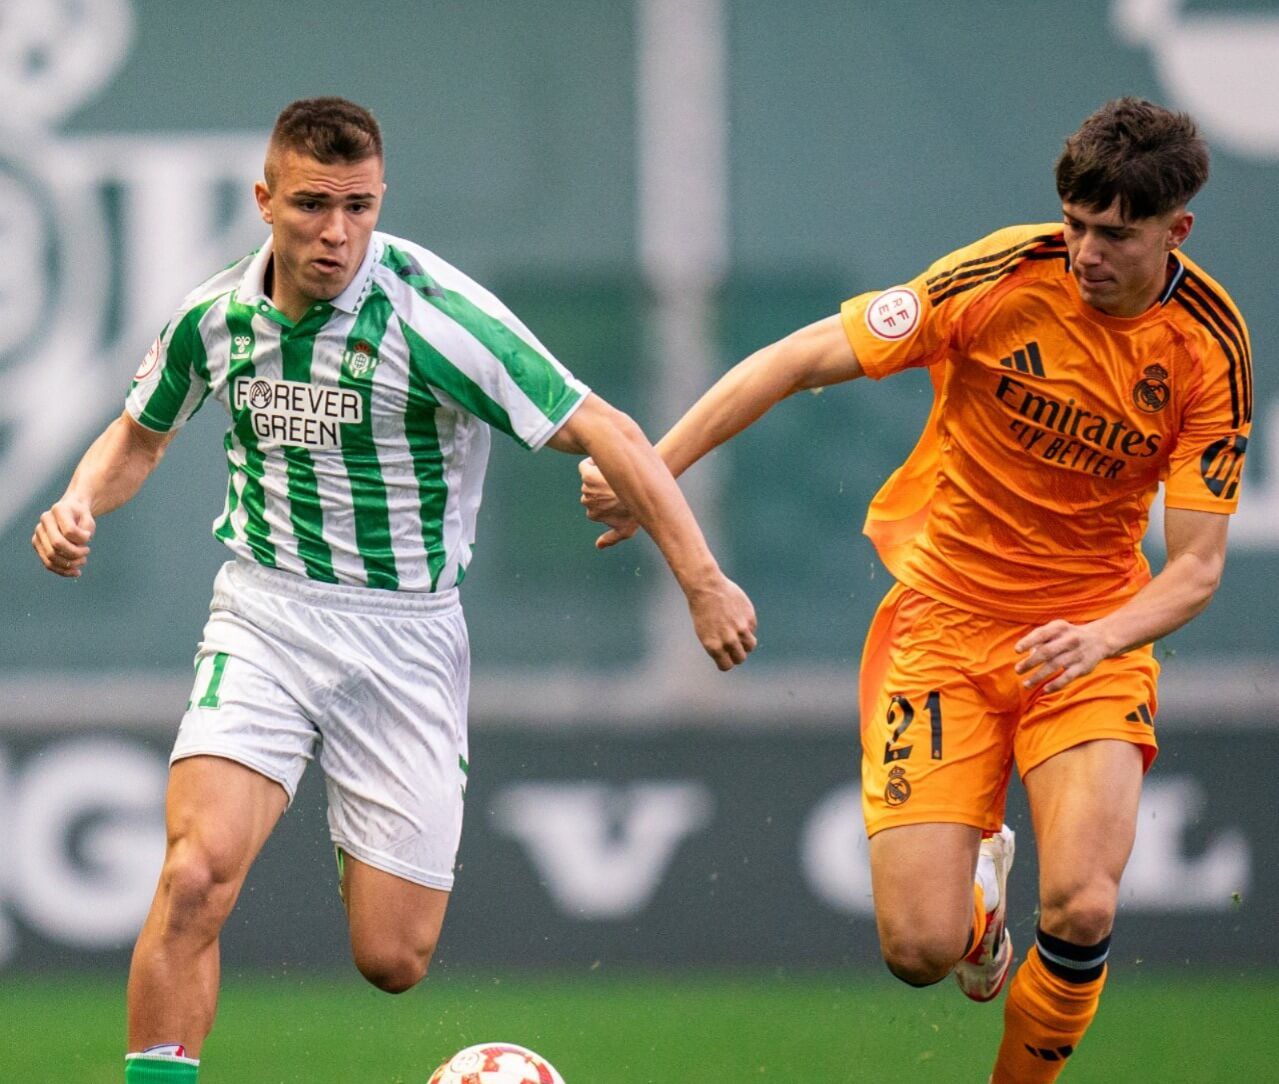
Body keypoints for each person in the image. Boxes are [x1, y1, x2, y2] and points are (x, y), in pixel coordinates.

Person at [32, 97, 757, 1084]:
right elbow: (139, 433)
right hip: (265, 614)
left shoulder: (436, 317)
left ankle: (367, 823)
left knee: (393, 957)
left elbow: (609, 431)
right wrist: (80, 500)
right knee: (194, 877)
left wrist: (702, 581)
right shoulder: (215, 317)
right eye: (312, 205)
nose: (336, 232)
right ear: (265, 200)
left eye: (359, 207)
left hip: (403, 636)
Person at [580, 98, 1251, 1081]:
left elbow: (1194, 568)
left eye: (1114, 234)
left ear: (1174, 230)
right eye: (1074, 223)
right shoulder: (998, 278)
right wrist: (654, 474)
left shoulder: (1207, 348)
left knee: (1082, 905)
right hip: (942, 628)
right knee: (918, 950)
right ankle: (978, 911)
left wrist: (1102, 638)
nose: (1085, 252)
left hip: (1087, 640)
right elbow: (794, 359)